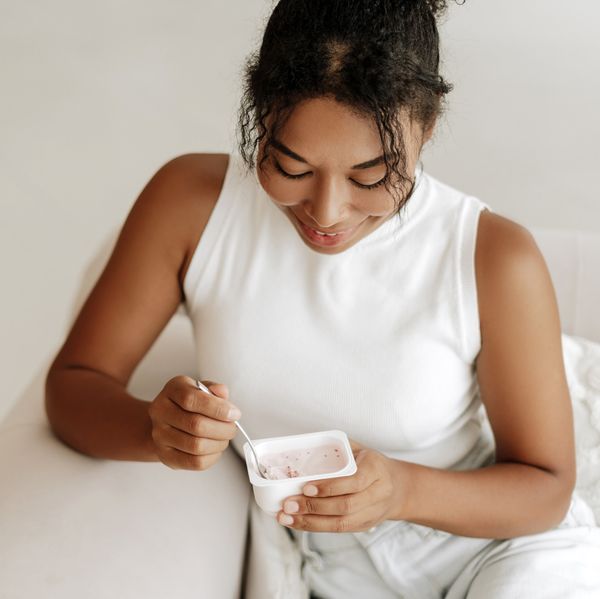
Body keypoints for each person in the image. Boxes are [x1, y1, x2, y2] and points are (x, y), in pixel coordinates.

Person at [45, 0, 600, 597]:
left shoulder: (493, 258)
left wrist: (401, 492)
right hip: (335, 568)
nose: (327, 213)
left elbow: (545, 489)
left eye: (369, 177)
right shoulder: (190, 207)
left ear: (428, 128)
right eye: (291, 165)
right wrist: (154, 429)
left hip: (499, 546)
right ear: (261, 117)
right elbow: (74, 386)